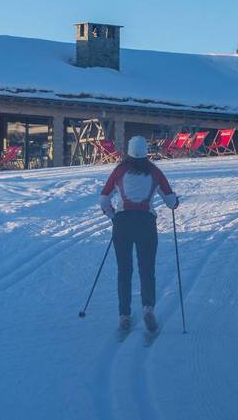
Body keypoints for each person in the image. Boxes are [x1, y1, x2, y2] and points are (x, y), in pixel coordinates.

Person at [99, 135, 179, 331]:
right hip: (145, 222)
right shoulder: (154, 171)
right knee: (147, 268)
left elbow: (103, 199)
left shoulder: (120, 170)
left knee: (124, 270)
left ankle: (124, 315)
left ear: (128, 151)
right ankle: (148, 309)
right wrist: (175, 202)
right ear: (146, 152)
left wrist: (112, 216)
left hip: (123, 222)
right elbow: (170, 200)